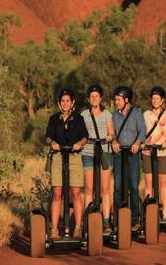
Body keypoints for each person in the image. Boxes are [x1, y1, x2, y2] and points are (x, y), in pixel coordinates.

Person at [45, 88, 88, 239]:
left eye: (68, 101)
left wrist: (79, 144)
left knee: (75, 193)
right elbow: (48, 138)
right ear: (59, 103)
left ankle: (77, 227)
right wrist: (53, 143)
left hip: (74, 157)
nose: (65, 103)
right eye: (62, 101)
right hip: (58, 157)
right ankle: (54, 229)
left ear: (72, 102)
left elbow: (85, 137)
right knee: (57, 193)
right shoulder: (53, 119)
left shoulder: (78, 119)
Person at [81, 84, 114, 235]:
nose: (94, 99)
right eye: (91, 96)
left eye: (97, 96)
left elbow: (112, 133)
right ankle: (88, 220)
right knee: (88, 189)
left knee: (105, 189)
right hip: (88, 152)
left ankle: (106, 221)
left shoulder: (107, 114)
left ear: (101, 98)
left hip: (104, 153)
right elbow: (81, 134)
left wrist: (109, 137)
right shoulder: (84, 115)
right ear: (89, 99)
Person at [111, 86, 146, 231]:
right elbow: (111, 132)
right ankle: (118, 218)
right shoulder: (114, 116)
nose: (116, 102)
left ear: (126, 100)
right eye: (116, 100)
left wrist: (137, 143)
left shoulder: (137, 113)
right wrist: (113, 141)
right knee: (118, 187)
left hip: (133, 154)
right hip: (119, 154)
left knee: (133, 185)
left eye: (118, 100)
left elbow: (142, 131)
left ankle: (135, 219)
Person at [142, 86, 166, 222]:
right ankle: (149, 211)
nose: (155, 101)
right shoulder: (145, 115)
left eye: (157, 99)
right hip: (148, 152)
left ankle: (165, 211)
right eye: (153, 98)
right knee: (148, 183)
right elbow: (142, 133)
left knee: (163, 182)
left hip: (164, 151)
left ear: (162, 101)